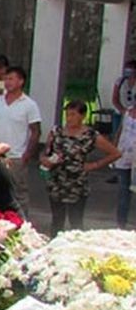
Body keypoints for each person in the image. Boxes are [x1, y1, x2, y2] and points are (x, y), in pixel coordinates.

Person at [41, 100, 120, 234]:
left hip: (76, 183)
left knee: (75, 221)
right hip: (56, 181)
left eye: (73, 115)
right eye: (67, 114)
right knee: (57, 219)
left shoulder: (90, 135)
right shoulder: (56, 131)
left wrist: (94, 165)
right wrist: (45, 160)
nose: (69, 118)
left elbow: (115, 153)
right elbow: (44, 152)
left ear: (82, 116)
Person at [0, 66, 41, 216]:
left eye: (11, 79)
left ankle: (23, 222)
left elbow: (35, 131)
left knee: (18, 192)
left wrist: (27, 154)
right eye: (6, 79)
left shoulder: (29, 105)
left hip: (16, 155)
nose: (7, 82)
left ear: (21, 81)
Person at [114, 103, 136, 227]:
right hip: (123, 156)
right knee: (123, 191)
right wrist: (114, 147)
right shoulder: (127, 113)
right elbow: (120, 131)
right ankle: (121, 224)